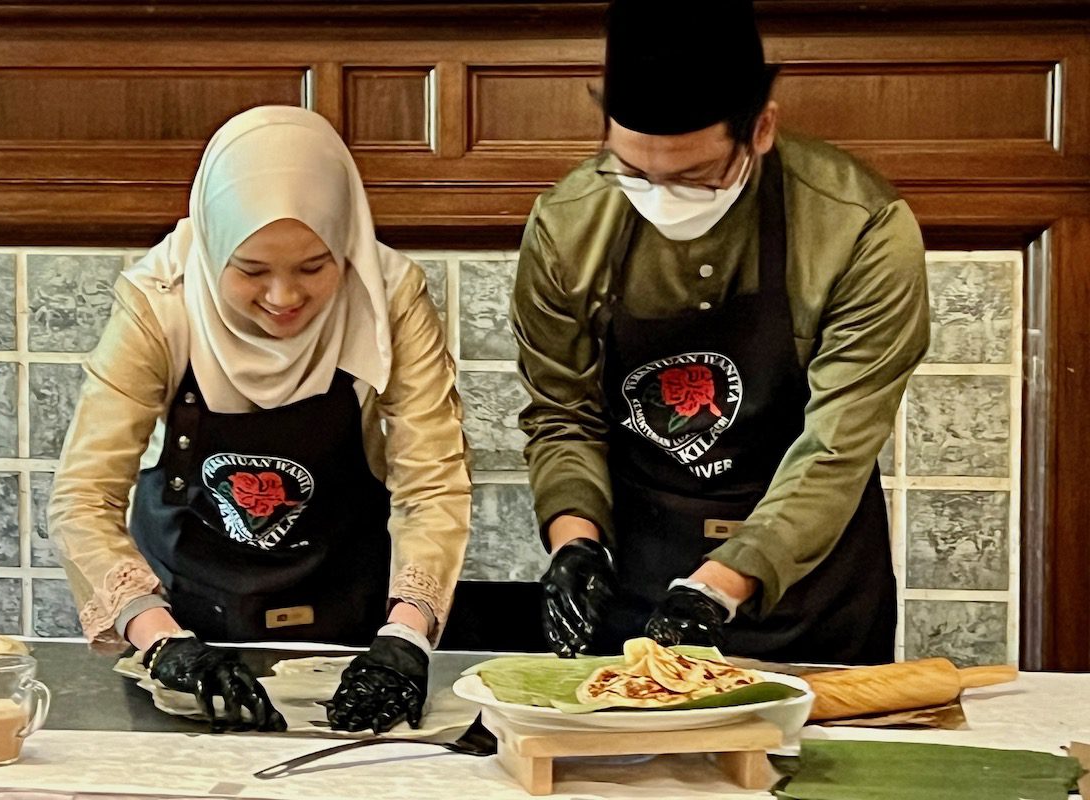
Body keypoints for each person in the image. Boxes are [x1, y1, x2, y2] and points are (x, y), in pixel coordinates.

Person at [512, 0, 929, 665]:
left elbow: (837, 446)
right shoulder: (568, 227)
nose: (658, 197)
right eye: (633, 174)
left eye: (691, 177)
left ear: (761, 129)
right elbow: (563, 415)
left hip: (808, 589)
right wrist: (574, 540)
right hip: (640, 569)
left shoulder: (859, 227)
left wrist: (718, 587)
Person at [50, 106, 471, 733]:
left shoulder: (388, 295)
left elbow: (432, 481)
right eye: (250, 271)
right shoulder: (160, 302)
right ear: (215, 244)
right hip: (188, 618)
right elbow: (82, 497)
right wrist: (160, 640)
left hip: (349, 616)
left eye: (314, 267)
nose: (284, 298)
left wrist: (406, 636)